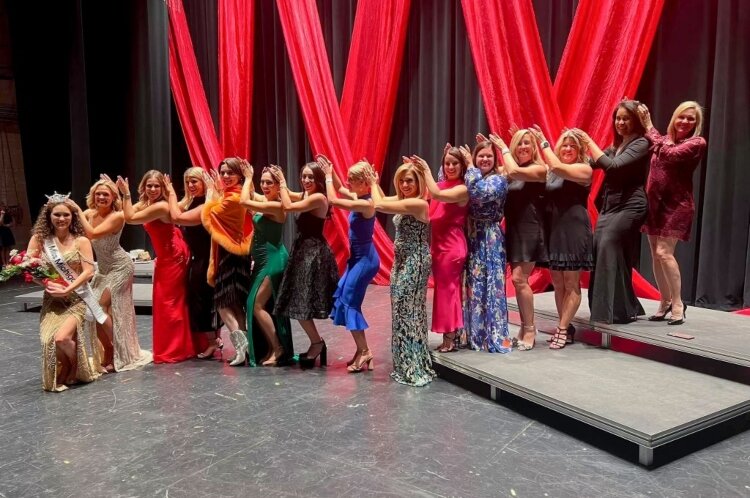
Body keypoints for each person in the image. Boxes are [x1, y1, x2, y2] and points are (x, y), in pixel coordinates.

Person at [69, 176, 152, 371]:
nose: (101, 197)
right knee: (92, 310)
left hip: (120, 267)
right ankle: (108, 350)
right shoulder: (89, 213)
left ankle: (117, 352)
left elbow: (92, 234)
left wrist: (77, 210)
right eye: (98, 194)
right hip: (103, 269)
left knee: (99, 307)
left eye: (106, 194)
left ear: (113, 197)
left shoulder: (118, 216)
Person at [579, 100, 650, 324]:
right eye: (618, 118)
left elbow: (613, 166)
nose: (620, 122)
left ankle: (607, 313)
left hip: (631, 205)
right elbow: (593, 162)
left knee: (608, 245)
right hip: (610, 207)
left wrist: (588, 140)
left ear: (636, 121)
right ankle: (623, 308)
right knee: (602, 249)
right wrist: (566, 153)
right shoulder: (616, 145)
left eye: (625, 118)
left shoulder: (641, 143)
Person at [638, 101, 706, 325]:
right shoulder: (664, 140)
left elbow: (669, 155)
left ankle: (678, 303)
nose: (685, 122)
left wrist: (649, 125)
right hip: (654, 204)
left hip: (677, 205)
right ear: (674, 118)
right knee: (656, 255)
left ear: (696, 123)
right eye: (682, 117)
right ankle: (664, 301)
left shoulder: (696, 142)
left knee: (664, 253)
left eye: (691, 119)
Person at [117, 170, 196, 363]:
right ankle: (180, 345)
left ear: (163, 188)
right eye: (149, 186)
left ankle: (175, 349)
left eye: (156, 186)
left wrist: (125, 194)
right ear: (143, 187)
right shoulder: (150, 204)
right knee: (167, 303)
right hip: (166, 256)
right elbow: (127, 211)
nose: (152, 189)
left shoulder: (160, 206)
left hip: (172, 258)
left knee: (169, 304)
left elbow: (130, 218)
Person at [26, 194, 101, 391]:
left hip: (76, 299)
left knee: (62, 338)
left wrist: (68, 288)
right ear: (49, 216)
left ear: (72, 217)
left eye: (66, 215)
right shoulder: (40, 239)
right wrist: (46, 284)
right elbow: (28, 268)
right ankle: (67, 366)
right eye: (57, 215)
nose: (62, 219)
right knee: (48, 340)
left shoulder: (81, 241)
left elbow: (88, 271)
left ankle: (73, 366)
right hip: (52, 300)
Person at [527, 127, 594, 348]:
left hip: (574, 230)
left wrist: (543, 142)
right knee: (557, 282)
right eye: (564, 145)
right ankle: (566, 325)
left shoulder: (584, 169)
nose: (567, 148)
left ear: (580, 150)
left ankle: (563, 329)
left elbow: (556, 165)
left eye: (572, 146)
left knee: (571, 282)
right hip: (554, 229)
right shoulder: (552, 172)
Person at [370, 161, 435, 386]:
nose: (405, 184)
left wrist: (371, 184)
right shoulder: (403, 200)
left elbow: (378, 204)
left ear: (419, 182)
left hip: (415, 261)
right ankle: (406, 362)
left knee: (409, 312)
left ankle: (413, 366)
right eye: (402, 180)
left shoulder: (418, 204)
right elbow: (381, 199)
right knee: (401, 311)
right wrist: (375, 183)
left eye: (410, 180)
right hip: (401, 261)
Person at [272, 163, 338, 368]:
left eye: (311, 177)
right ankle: (316, 343)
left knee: (301, 304)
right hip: (302, 252)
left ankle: (318, 344)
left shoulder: (319, 198)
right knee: (298, 304)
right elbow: (289, 195)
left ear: (318, 180)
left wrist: (281, 182)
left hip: (313, 255)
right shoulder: (306, 195)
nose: (306, 181)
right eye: (304, 177)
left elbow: (289, 206)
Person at [319, 155, 380, 372]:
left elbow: (334, 200)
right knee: (344, 296)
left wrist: (326, 177)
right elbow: (341, 189)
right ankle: (361, 350)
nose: (347, 183)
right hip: (357, 259)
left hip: (365, 260)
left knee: (350, 302)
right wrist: (331, 171)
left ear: (364, 183)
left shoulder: (367, 203)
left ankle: (365, 351)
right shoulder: (359, 197)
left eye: (351, 180)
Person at [488, 130, 547, 350]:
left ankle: (530, 328)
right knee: (517, 280)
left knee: (519, 279)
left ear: (534, 147)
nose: (523, 147)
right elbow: (493, 173)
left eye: (527, 143)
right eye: (519, 143)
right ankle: (524, 327)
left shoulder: (538, 169)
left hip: (531, 230)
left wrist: (503, 147)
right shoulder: (512, 170)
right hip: (512, 230)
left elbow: (510, 170)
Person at [411, 146, 469, 353]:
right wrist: (415, 171)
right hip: (438, 245)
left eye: (455, 163)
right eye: (447, 163)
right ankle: (450, 334)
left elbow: (436, 193)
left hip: (452, 247)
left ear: (462, 166)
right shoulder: (442, 184)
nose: (451, 167)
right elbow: (424, 195)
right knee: (444, 291)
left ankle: (450, 336)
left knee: (448, 291)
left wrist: (425, 169)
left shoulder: (463, 188)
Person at [239, 164, 294, 367]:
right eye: (262, 182)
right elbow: (252, 196)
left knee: (256, 305)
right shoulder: (266, 201)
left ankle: (278, 348)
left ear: (278, 186)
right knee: (257, 305)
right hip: (262, 261)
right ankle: (272, 347)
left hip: (273, 260)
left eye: (269, 182)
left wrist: (248, 178)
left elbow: (245, 200)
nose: (264, 186)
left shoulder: (276, 206)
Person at [200, 158, 253, 366]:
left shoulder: (234, 198)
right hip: (233, 253)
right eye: (222, 173)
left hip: (232, 254)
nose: (225, 176)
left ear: (240, 175)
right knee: (235, 303)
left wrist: (210, 193)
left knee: (222, 302)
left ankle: (241, 346)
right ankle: (244, 347)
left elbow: (209, 216)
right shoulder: (231, 195)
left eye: (229, 173)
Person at [165, 168, 221, 359]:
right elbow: (172, 209)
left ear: (204, 183)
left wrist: (171, 192)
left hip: (207, 259)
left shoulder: (207, 204)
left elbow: (176, 217)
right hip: (197, 258)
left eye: (195, 181)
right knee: (200, 300)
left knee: (203, 301)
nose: (190, 185)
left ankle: (214, 342)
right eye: (188, 181)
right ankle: (213, 341)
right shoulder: (191, 201)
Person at [463, 142, 511, 353]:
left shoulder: (498, 180)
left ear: (495, 160)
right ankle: (476, 335)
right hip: (473, 237)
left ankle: (495, 335)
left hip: (491, 237)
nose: (484, 160)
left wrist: (469, 166)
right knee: (475, 287)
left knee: (492, 286)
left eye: (489, 156)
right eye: (480, 156)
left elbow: (477, 194)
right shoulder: (473, 176)